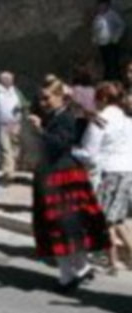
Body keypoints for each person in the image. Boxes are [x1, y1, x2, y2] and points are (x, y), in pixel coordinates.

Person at [28, 77, 110, 293]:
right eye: (41, 99)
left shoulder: (65, 117)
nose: (43, 103)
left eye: (47, 98)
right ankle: (80, 269)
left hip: (61, 178)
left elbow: (59, 144)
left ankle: (68, 276)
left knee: (60, 227)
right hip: (58, 174)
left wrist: (40, 131)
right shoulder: (58, 115)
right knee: (65, 227)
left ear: (60, 97)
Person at [73, 82, 132, 275]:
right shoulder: (127, 120)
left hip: (108, 172)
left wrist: (72, 151)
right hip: (127, 171)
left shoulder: (100, 121)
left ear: (103, 99)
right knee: (118, 219)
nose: (95, 102)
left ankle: (113, 264)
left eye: (96, 98)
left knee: (105, 220)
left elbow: (89, 154)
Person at [0, 71, 28, 183]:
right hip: (1, 124)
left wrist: (22, 110)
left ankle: (10, 170)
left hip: (15, 124)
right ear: (1, 80)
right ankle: (8, 175)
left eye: (11, 79)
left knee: (15, 149)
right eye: (6, 79)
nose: (9, 81)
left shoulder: (16, 91)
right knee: (6, 149)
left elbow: (24, 104)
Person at [93, 0, 126, 81]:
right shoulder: (97, 17)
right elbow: (95, 29)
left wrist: (116, 36)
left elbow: (121, 25)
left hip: (111, 42)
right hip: (102, 44)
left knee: (114, 61)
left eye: (103, 5)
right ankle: (108, 79)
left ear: (107, 5)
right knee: (106, 62)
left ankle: (118, 78)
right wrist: (95, 39)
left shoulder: (112, 15)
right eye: (99, 5)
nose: (101, 7)